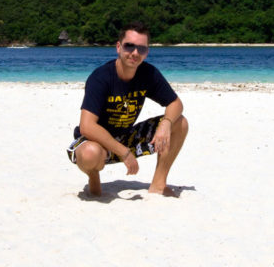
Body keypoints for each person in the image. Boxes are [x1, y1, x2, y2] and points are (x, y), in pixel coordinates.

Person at [67, 22, 188, 197]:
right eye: (129, 46)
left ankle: (159, 184)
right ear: (118, 47)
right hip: (95, 141)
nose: (135, 53)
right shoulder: (101, 77)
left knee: (180, 123)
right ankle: (93, 176)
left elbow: (176, 103)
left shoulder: (148, 74)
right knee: (90, 153)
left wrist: (166, 124)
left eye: (142, 49)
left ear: (147, 52)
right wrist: (124, 153)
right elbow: (87, 126)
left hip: (126, 136)